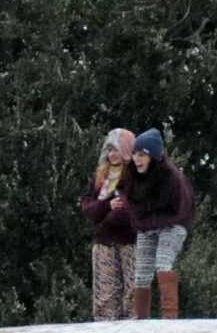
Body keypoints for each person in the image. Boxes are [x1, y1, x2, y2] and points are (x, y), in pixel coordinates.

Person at [122, 130, 194, 320]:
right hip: (147, 226)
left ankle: (169, 317)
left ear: (153, 156)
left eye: (142, 155)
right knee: (142, 272)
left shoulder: (171, 177)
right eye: (135, 154)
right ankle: (141, 320)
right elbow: (132, 206)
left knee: (163, 263)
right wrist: (144, 222)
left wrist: (153, 219)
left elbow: (180, 208)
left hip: (173, 225)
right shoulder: (131, 175)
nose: (137, 159)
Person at [76, 128, 139, 322]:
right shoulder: (101, 178)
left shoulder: (137, 176)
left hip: (131, 241)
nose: (112, 154)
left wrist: (116, 211)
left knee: (133, 293)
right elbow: (88, 208)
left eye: (117, 149)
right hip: (104, 242)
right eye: (109, 149)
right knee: (105, 295)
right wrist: (106, 206)